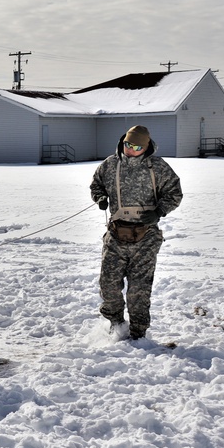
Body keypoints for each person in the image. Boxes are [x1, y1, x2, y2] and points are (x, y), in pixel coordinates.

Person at [90, 125, 183, 340]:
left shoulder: (157, 168)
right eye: (127, 145)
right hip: (116, 233)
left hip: (146, 236)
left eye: (136, 146)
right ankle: (116, 324)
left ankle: (138, 333)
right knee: (109, 284)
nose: (130, 149)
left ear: (146, 147)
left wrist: (159, 211)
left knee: (138, 290)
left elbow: (174, 193)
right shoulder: (110, 165)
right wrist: (100, 198)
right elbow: (96, 186)